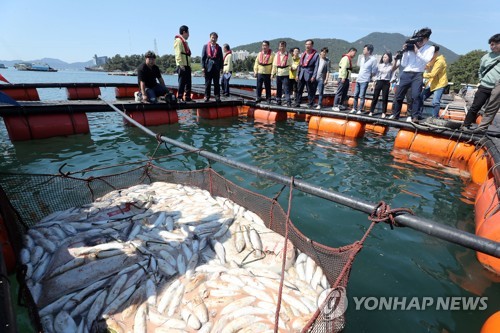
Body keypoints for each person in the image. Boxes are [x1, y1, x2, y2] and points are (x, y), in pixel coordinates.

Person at [386, 27, 435, 122]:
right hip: (406, 73)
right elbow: (404, 64)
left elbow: (426, 60)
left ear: (427, 39)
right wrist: (404, 52)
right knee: (399, 95)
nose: (419, 41)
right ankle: (395, 114)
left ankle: (414, 116)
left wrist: (417, 51)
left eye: (422, 39)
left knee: (416, 96)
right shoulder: (411, 46)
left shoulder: (430, 48)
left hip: (418, 74)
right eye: (418, 38)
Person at [462, 33, 500, 129]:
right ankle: (465, 125)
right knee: (476, 106)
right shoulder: (486, 57)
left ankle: (482, 128)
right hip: (485, 85)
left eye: (495, 44)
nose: (492, 46)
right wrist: (482, 80)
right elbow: (481, 70)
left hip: (497, 88)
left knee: (491, 110)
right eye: (491, 44)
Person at [420, 45, 448, 118]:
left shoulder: (440, 61)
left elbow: (433, 74)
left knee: (435, 102)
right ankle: (418, 114)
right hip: (431, 83)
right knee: (420, 98)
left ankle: (435, 118)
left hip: (439, 84)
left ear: (436, 52)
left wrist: (421, 74)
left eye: (432, 52)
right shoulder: (432, 60)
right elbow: (427, 66)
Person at [368, 52, 397, 116]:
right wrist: (373, 83)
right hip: (379, 81)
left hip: (386, 82)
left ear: (389, 58)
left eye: (386, 57)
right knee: (375, 97)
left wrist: (391, 86)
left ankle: (383, 112)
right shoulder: (379, 65)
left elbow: (393, 75)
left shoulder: (391, 66)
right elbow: (375, 74)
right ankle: (371, 111)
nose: (384, 58)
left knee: (385, 98)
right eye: (383, 57)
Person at [351, 44, 377, 114]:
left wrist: (370, 78)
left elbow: (374, 72)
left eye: (364, 49)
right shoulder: (362, 58)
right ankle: (354, 108)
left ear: (369, 51)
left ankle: (359, 109)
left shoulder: (373, 59)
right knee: (355, 95)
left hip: (365, 80)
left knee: (362, 96)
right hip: (358, 79)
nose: (363, 50)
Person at [294, 39, 319, 108]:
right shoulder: (303, 54)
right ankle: (297, 102)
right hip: (301, 73)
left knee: (310, 90)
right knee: (299, 89)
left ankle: (311, 103)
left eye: (309, 44)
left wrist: (314, 76)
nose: (307, 46)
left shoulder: (316, 55)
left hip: (309, 73)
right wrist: (297, 74)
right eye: (306, 44)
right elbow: (299, 65)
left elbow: (316, 66)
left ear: (312, 45)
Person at [201, 32, 223, 102]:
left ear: (217, 39)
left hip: (216, 67)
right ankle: (207, 96)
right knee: (208, 83)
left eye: (215, 38)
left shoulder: (219, 48)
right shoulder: (205, 46)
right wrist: (203, 67)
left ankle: (217, 97)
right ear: (210, 38)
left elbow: (221, 58)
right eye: (212, 37)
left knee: (217, 83)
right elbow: (203, 58)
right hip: (208, 67)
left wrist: (221, 68)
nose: (213, 39)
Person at [174, 25, 192, 102]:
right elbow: (178, 53)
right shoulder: (178, 41)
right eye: (188, 32)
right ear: (184, 32)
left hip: (187, 65)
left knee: (188, 82)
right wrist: (180, 64)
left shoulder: (185, 42)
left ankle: (187, 97)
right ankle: (179, 97)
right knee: (181, 82)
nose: (189, 34)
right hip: (182, 65)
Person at [272, 41, 293, 106]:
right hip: (278, 74)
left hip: (285, 74)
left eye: (283, 46)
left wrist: (294, 68)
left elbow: (291, 64)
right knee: (278, 88)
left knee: (286, 89)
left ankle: (288, 102)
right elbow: (274, 65)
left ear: (285, 47)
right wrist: (272, 74)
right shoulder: (276, 55)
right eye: (280, 46)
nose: (282, 47)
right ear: (279, 47)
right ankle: (278, 101)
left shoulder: (288, 55)